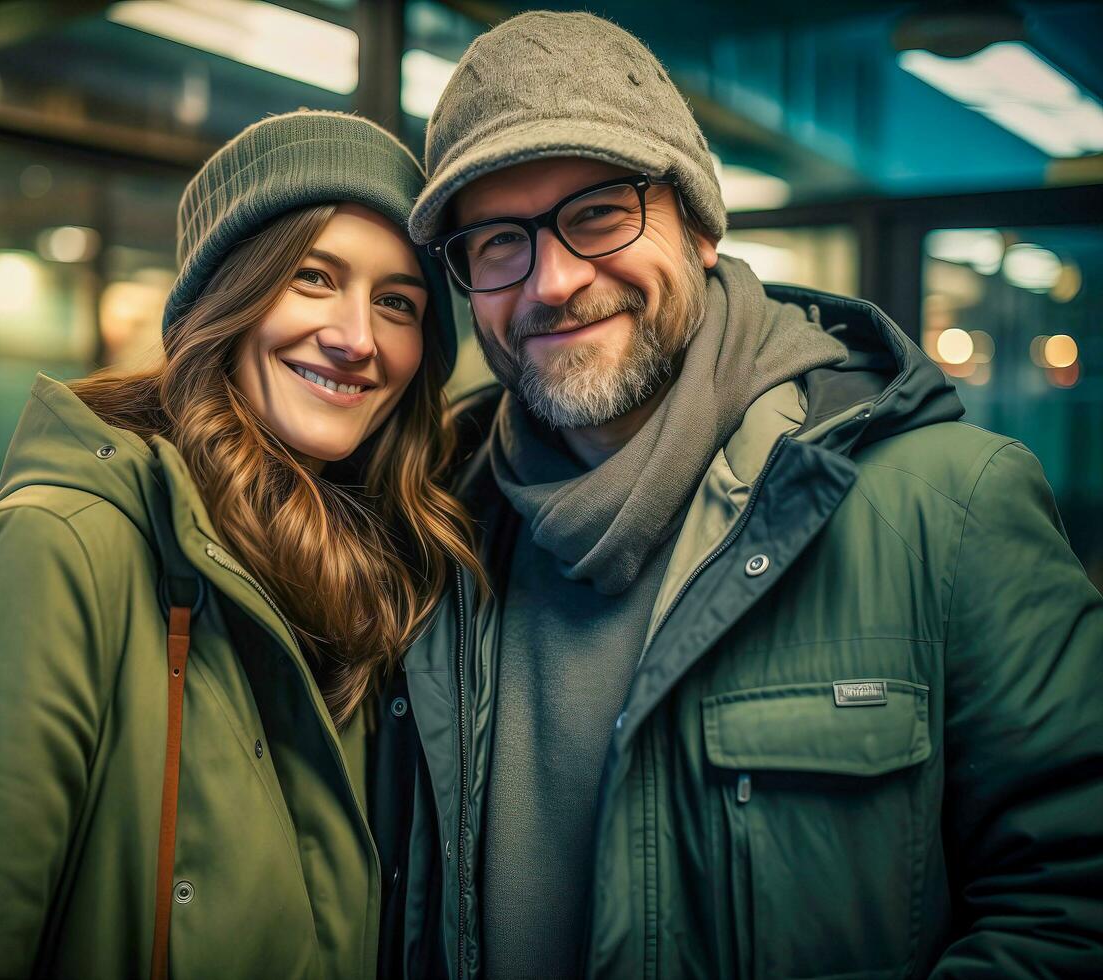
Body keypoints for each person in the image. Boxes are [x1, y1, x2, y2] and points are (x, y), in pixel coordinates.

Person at [392, 11, 1103, 980]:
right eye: (496, 242)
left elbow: (1070, 904)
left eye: (598, 212)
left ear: (699, 223)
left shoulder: (950, 503)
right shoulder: (430, 527)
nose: (551, 281)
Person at [0, 109, 482, 980]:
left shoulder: (373, 592)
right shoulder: (47, 558)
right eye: (314, 277)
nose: (358, 337)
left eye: (398, 302)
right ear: (227, 299)